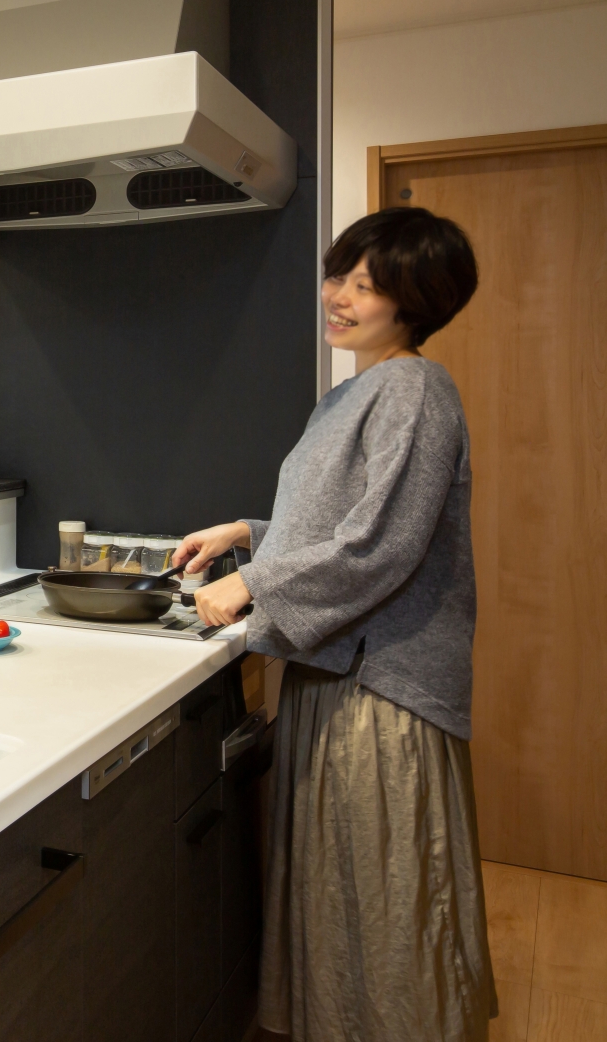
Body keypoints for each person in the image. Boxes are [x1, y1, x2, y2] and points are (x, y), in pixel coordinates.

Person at [175, 207, 491, 1042]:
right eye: (338, 276)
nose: (339, 297)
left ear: (417, 300)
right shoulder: (354, 393)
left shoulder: (414, 388)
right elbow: (337, 528)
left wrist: (252, 583)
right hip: (340, 669)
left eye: (366, 285)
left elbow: (380, 546)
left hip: (382, 682)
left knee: (385, 889)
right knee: (350, 886)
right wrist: (246, 534)